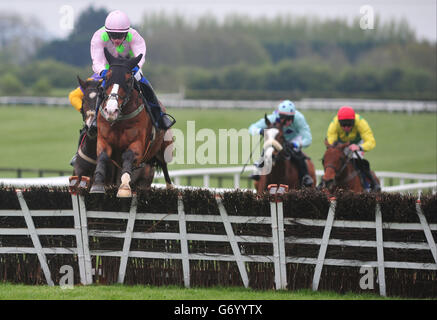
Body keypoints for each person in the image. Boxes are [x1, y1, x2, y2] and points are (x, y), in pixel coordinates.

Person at [87, 9, 174, 134]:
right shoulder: (98, 36)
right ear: (107, 32)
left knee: (143, 83)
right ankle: (95, 119)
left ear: (126, 32)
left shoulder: (134, 35)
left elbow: (140, 56)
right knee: (100, 88)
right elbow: (97, 61)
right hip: (108, 69)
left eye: (120, 36)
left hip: (130, 66)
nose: (116, 39)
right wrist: (104, 73)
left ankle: (159, 116)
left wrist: (134, 67)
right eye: (113, 35)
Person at [248, 100, 314, 187]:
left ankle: (305, 176)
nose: (288, 122)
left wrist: (296, 144)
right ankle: (259, 168)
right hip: (279, 140)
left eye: (291, 118)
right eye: (285, 119)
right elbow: (252, 128)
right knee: (268, 145)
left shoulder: (299, 119)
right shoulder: (273, 118)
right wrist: (260, 131)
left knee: (296, 152)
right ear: (279, 116)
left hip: (294, 140)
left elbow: (308, 138)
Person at [326, 105, 381, 191]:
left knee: (359, 161)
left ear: (353, 122)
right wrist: (336, 147)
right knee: (332, 160)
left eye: (349, 125)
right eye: (343, 125)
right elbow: (331, 140)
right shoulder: (334, 123)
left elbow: (371, 141)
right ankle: (325, 183)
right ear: (339, 123)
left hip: (357, 143)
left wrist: (359, 147)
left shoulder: (361, 122)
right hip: (341, 144)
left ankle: (371, 184)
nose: (346, 128)